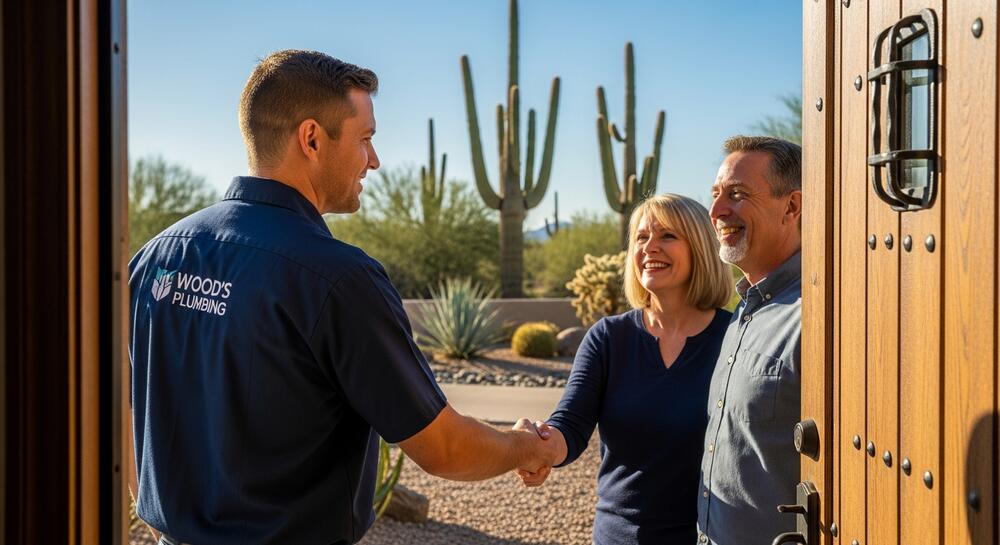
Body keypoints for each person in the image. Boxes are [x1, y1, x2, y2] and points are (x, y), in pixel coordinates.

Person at [127, 50, 559, 545]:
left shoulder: (157, 255)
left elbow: (124, 411)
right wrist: (524, 447)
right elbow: (443, 447)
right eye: (366, 139)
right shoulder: (338, 279)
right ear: (312, 138)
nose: (374, 160)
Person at [517, 194, 734, 544]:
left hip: (710, 537)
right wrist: (534, 446)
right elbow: (570, 426)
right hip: (619, 536)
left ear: (700, 247)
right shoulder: (608, 338)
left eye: (667, 236)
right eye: (641, 238)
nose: (650, 247)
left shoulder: (736, 336)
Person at [696, 135, 803, 545]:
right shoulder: (742, 310)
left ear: (791, 206)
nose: (717, 211)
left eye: (737, 195)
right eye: (716, 195)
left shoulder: (817, 316)